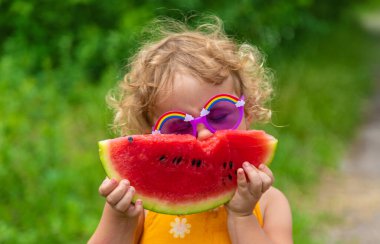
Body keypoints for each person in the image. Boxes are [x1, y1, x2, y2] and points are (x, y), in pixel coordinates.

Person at [89, 16, 293, 244]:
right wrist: (119, 218)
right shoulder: (142, 208)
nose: (204, 135)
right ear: (151, 137)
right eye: (178, 128)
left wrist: (242, 215)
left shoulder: (269, 203)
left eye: (219, 115)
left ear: (248, 112)